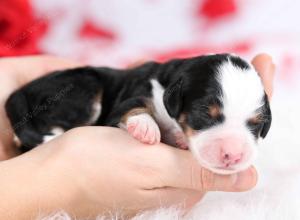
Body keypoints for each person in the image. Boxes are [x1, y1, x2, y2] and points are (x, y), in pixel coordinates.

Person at [0, 54, 275, 219]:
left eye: (253, 126)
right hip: (59, 92)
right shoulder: (153, 89)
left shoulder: (182, 92)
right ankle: (42, 133)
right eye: (207, 117)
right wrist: (139, 117)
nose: (233, 149)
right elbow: (125, 110)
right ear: (174, 99)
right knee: (87, 96)